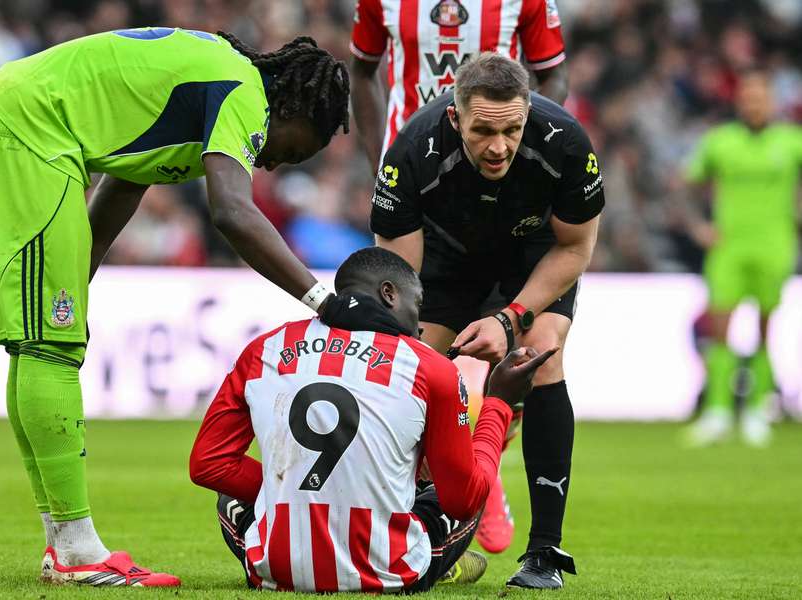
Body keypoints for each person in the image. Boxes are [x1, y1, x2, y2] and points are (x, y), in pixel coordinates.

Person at [0, 27, 372, 587]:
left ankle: (64, 543)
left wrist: (74, 280)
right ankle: (76, 552)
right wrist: (323, 300)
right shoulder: (243, 90)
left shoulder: (207, 83)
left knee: (39, 344)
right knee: (49, 347)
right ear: (294, 108)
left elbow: (122, 184)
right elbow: (232, 212)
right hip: (25, 135)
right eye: (294, 150)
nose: (276, 164)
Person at [189, 247, 559, 592]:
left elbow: (209, 464)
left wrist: (292, 493)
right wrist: (499, 402)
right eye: (417, 305)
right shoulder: (430, 367)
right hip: (391, 573)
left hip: (274, 571)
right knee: (458, 487)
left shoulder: (263, 349)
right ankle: (438, 563)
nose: (419, 325)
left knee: (228, 498)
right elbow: (465, 500)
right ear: (389, 293)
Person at [370, 53, 603, 589]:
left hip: (533, 256)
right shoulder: (410, 153)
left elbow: (575, 248)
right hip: (444, 264)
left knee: (540, 352)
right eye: (483, 131)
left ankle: (544, 553)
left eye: (512, 130)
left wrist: (510, 318)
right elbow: (398, 284)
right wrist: (417, 357)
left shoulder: (566, 142)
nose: (499, 146)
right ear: (455, 119)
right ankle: (407, 533)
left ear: (528, 115)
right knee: (409, 366)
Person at [349, 0, 569, 554]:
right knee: (406, 356)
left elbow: (553, 76)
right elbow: (362, 69)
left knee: (528, 351)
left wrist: (524, 147)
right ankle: (413, 514)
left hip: (506, 192)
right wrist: (381, 158)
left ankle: (479, 461)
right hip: (420, 192)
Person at [683, 68, 801, 447]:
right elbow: (686, 185)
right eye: (748, 97)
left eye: (760, 97)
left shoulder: (792, 142)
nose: (754, 104)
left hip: (774, 246)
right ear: (739, 101)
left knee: (766, 328)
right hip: (729, 247)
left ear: (772, 101)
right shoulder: (720, 142)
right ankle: (718, 410)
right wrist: (698, 226)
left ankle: (757, 410)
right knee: (720, 327)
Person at [350, 0, 569, 175]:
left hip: (493, 165)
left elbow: (554, 77)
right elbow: (362, 71)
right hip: (409, 164)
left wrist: (519, 143)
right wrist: (379, 162)